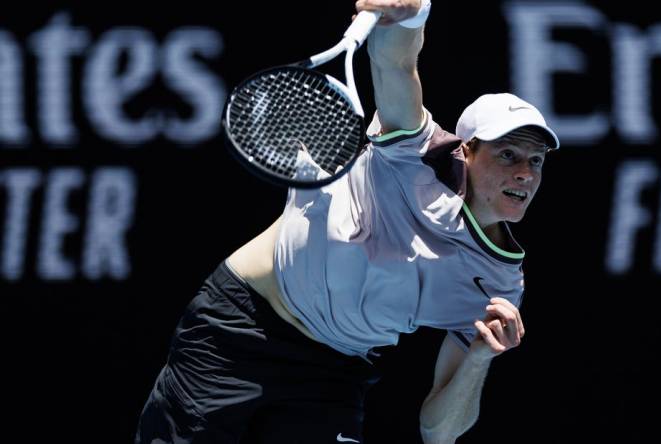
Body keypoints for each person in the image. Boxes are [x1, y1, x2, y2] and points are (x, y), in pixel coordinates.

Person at [135, 0, 560, 443]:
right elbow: (396, 62)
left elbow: (438, 432)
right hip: (238, 330)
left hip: (331, 373)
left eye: (536, 160)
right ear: (465, 151)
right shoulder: (413, 154)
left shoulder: (499, 284)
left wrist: (479, 358)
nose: (525, 174)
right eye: (507, 155)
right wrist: (411, 17)